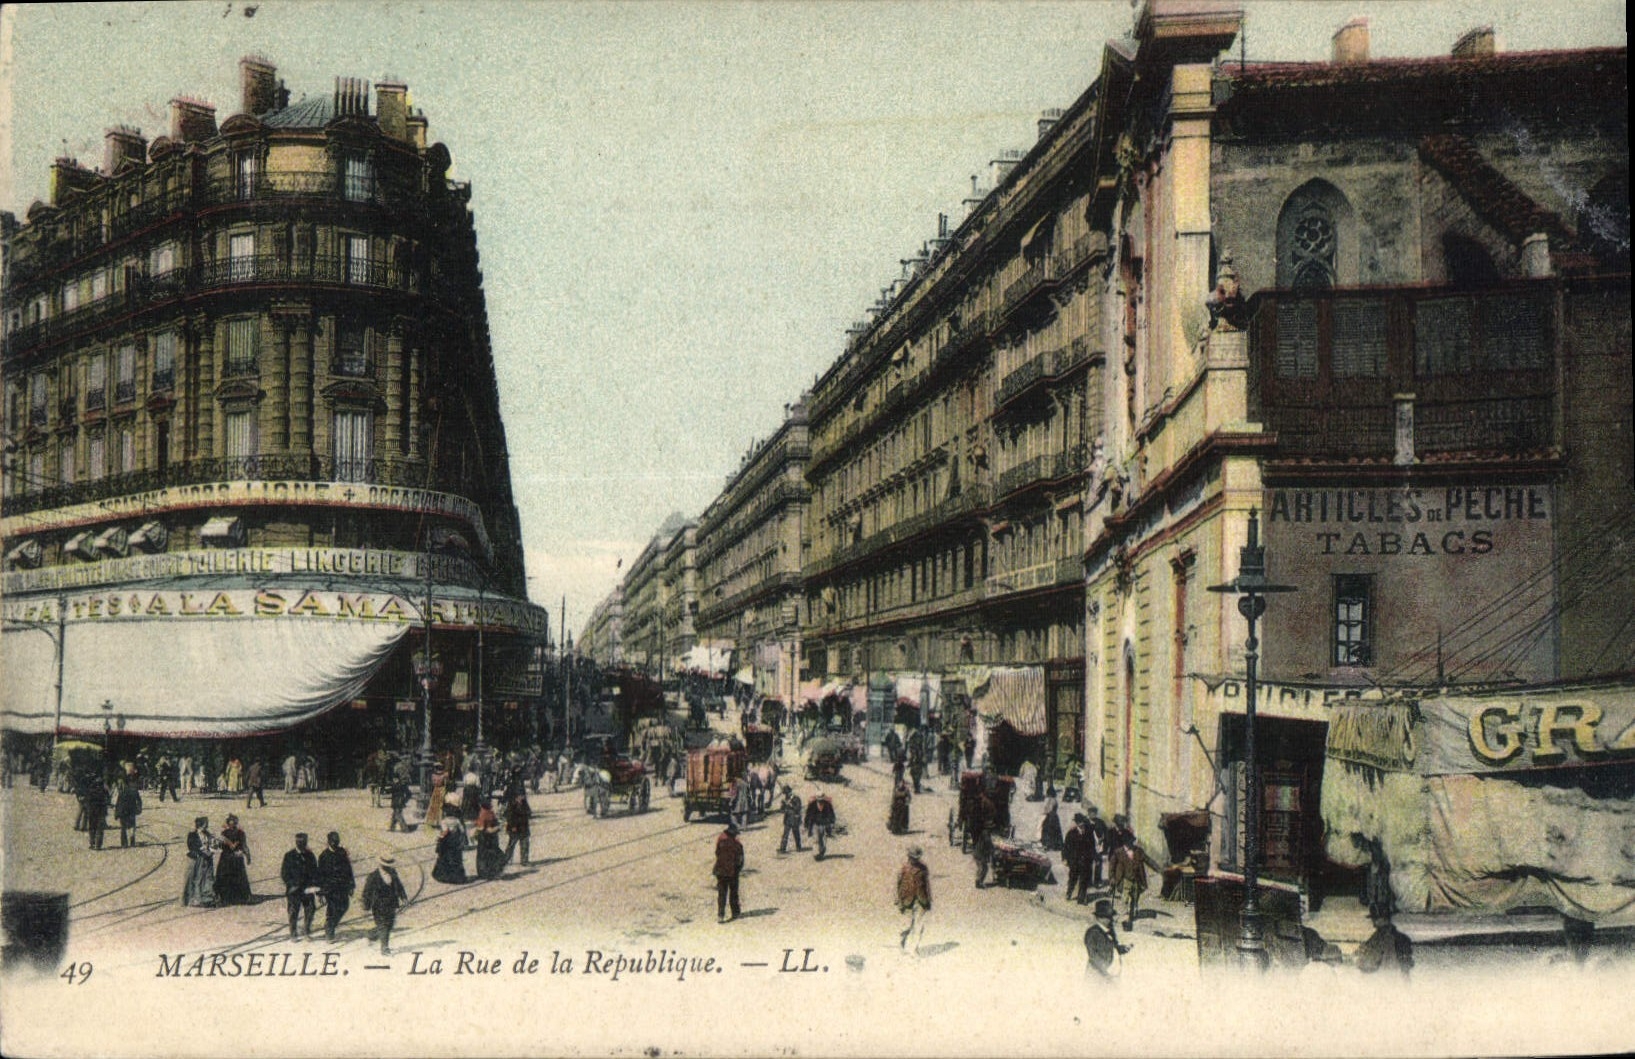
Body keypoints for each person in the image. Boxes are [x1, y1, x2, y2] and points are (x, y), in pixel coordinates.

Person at [361, 854, 409, 955]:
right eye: (386, 865)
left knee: (390, 924)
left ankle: (372, 935)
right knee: (384, 925)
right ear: (381, 865)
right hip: (378, 905)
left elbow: (399, 886)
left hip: (391, 903)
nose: (388, 867)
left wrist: (404, 897)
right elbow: (367, 892)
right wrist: (366, 905)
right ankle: (384, 948)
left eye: (389, 865)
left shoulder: (393, 873)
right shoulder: (373, 876)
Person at [1109, 832, 1157, 930]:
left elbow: (1148, 860)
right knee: (1125, 899)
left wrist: (1159, 869)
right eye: (1129, 842)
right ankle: (1125, 918)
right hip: (1124, 879)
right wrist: (1112, 878)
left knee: (1135, 897)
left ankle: (1131, 914)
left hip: (1136, 879)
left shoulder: (1138, 851)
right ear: (1125, 843)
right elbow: (1112, 866)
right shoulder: (1118, 852)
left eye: (1131, 841)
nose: (1131, 843)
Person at [280, 833, 319, 941]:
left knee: (310, 910)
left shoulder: (310, 855)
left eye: (303, 842)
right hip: (294, 890)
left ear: (306, 842)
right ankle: (293, 933)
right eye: (299, 842)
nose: (301, 844)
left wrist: (313, 885)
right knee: (293, 912)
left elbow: (315, 872)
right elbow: (284, 874)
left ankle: (306, 931)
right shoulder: (289, 856)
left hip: (307, 889)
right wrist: (292, 884)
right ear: (296, 842)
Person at [318, 832, 355, 941]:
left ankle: (330, 925)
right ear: (329, 842)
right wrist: (320, 893)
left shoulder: (342, 852)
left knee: (344, 906)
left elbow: (348, 869)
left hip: (343, 886)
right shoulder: (323, 856)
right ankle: (330, 931)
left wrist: (351, 885)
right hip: (330, 888)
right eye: (333, 841)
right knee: (332, 909)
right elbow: (320, 875)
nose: (335, 844)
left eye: (337, 841)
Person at [1357, 911, 1414, 977]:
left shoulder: (1378, 938)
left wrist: (1361, 956)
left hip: (1383, 976)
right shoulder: (1404, 938)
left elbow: (1370, 962)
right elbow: (1407, 964)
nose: (1373, 921)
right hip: (1395, 976)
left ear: (1384, 919)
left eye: (1375, 918)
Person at [896, 846, 932, 950]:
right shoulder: (904, 868)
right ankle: (903, 941)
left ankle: (914, 948)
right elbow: (898, 884)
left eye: (916, 858)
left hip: (920, 900)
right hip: (906, 900)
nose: (914, 860)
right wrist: (898, 900)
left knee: (918, 925)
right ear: (909, 857)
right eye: (912, 858)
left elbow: (927, 884)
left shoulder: (923, 868)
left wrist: (928, 899)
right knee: (907, 925)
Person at [1084, 898, 1130, 977]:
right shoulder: (1092, 933)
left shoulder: (1110, 931)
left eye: (1111, 917)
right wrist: (1107, 969)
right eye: (1108, 917)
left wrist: (1121, 948)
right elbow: (1093, 956)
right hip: (1096, 975)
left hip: (1110, 975)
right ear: (1099, 918)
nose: (1111, 920)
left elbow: (1113, 947)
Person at [215, 814, 253, 905]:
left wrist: (247, 855)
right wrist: (247, 856)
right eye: (230, 823)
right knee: (230, 877)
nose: (231, 825)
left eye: (233, 823)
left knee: (232, 877)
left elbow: (244, 845)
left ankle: (231, 897)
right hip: (230, 857)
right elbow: (243, 845)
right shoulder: (227, 833)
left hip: (230, 858)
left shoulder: (237, 833)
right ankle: (231, 897)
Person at [713, 822, 745, 923]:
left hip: (720, 870)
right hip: (732, 871)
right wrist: (738, 869)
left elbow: (717, 852)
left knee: (722, 894)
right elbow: (740, 859)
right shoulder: (737, 844)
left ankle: (721, 915)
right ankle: (735, 912)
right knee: (733, 893)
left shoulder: (721, 839)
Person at [183, 816, 217, 907]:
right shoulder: (192, 835)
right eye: (205, 824)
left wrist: (211, 850)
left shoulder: (208, 834)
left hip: (207, 859)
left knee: (208, 878)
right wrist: (202, 851)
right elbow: (191, 846)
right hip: (198, 860)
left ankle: (207, 898)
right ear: (200, 825)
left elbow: (213, 844)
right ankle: (196, 899)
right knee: (198, 878)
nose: (206, 826)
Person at [1062, 814, 1093, 903]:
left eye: (1082, 822)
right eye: (1078, 822)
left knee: (1084, 880)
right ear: (1076, 823)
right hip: (1074, 861)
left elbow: (1092, 847)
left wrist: (1092, 858)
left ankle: (1081, 898)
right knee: (1073, 878)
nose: (1081, 824)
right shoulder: (1071, 833)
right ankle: (1069, 893)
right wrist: (1065, 858)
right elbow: (1065, 847)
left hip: (1085, 861)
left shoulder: (1089, 833)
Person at [474, 799, 505, 879]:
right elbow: (486, 828)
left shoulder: (484, 813)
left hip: (486, 838)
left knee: (484, 856)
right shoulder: (487, 813)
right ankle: (491, 873)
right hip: (488, 838)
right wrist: (498, 827)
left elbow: (480, 827)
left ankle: (485, 873)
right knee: (492, 855)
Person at [433, 818, 469, 884]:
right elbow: (462, 830)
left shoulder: (444, 821)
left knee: (445, 859)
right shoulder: (457, 820)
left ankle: (446, 877)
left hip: (447, 843)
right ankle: (458, 878)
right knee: (456, 860)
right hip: (455, 842)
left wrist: (439, 836)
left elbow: (445, 831)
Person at [805, 790, 836, 860]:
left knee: (823, 840)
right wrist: (806, 823)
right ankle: (816, 854)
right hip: (815, 824)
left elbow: (831, 814)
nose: (820, 801)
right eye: (819, 799)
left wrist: (832, 822)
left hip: (824, 824)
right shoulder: (812, 805)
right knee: (816, 839)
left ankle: (821, 852)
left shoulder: (828, 805)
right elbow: (808, 814)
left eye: (821, 799)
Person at [504, 790, 532, 867]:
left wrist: (527, 814)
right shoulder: (511, 804)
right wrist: (513, 826)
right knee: (511, 845)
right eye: (521, 796)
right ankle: (506, 859)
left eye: (523, 796)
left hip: (524, 827)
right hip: (515, 828)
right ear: (517, 797)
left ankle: (524, 860)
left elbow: (529, 812)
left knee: (525, 844)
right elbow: (508, 816)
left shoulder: (524, 803)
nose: (523, 797)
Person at [114, 776, 143, 847]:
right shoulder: (134, 790)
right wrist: (139, 808)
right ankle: (132, 837)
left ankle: (124, 843)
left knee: (123, 827)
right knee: (132, 825)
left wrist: (116, 813)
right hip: (132, 809)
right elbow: (139, 800)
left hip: (123, 810)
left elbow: (118, 803)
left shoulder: (121, 791)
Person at [83, 774, 108, 851]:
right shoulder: (104, 790)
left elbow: (87, 800)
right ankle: (98, 844)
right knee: (99, 828)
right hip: (101, 811)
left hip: (92, 811)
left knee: (92, 827)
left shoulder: (90, 790)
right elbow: (108, 799)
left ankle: (92, 843)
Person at [777, 786, 803, 853]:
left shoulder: (796, 798)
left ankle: (798, 847)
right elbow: (782, 810)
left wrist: (790, 805)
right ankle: (782, 848)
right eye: (786, 794)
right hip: (787, 819)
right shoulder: (786, 799)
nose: (786, 795)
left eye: (787, 793)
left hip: (795, 819)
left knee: (796, 833)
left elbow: (798, 808)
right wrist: (783, 806)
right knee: (785, 834)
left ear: (790, 792)